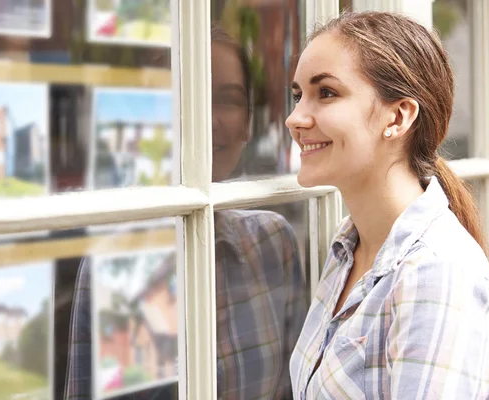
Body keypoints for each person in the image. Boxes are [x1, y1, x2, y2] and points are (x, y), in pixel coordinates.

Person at [64, 22, 307, 400]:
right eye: (187, 99)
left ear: (246, 122)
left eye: (226, 99)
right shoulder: (113, 267)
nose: (208, 121)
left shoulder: (274, 244)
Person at [286, 11, 489, 399]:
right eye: (297, 95)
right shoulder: (349, 248)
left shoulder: (436, 274)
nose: (294, 119)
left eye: (326, 93)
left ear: (398, 116)